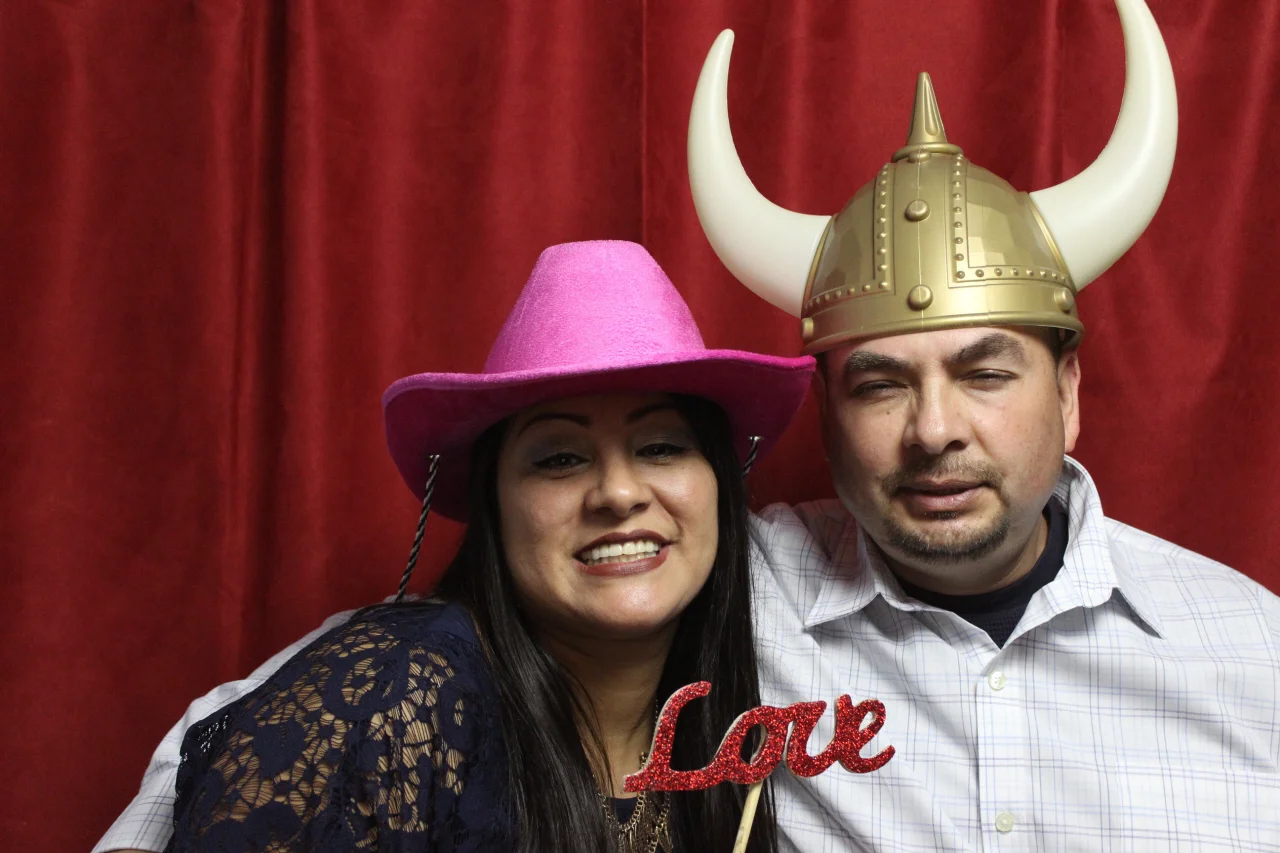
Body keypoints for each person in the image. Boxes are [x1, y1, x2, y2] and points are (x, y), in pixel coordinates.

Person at [99, 1, 1280, 851]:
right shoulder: (697, 578)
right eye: (877, 384)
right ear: (825, 410)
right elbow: (245, 735)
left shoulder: (1248, 651)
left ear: (1067, 391)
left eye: (982, 373)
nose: (932, 429)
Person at [144, 240, 814, 853]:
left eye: (661, 446)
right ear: (493, 503)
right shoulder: (400, 691)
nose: (617, 492)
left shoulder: (726, 728)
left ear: (719, 485)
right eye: (559, 458)